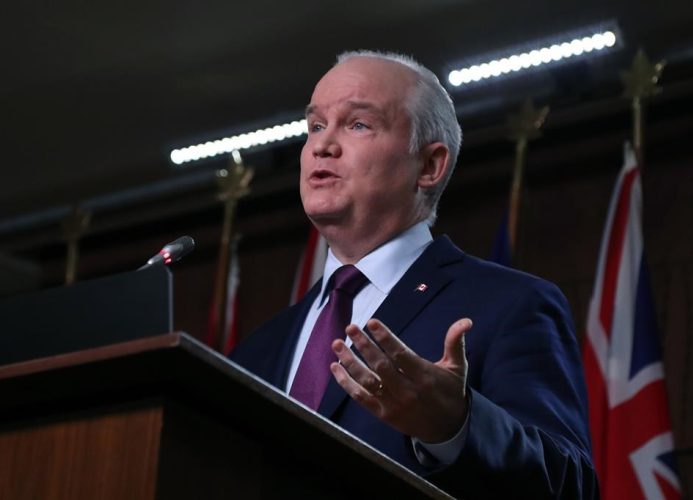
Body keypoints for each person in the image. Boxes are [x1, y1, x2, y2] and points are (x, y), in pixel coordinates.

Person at [229, 50, 598, 499]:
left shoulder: (509, 305)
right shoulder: (256, 351)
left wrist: (456, 427)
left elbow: (571, 486)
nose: (322, 146)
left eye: (358, 124)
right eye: (316, 126)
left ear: (429, 166)